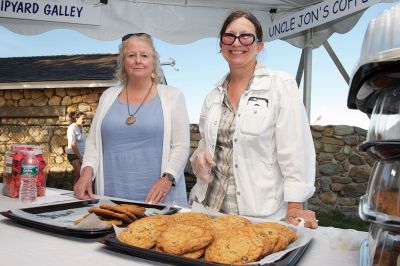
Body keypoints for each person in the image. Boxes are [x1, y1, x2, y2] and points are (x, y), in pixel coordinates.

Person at [189, 9, 318, 228]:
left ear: (259, 45)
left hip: (257, 216)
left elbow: (296, 151)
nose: (237, 42)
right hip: (207, 209)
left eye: (246, 36)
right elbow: (206, 143)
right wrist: (200, 156)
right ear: (221, 45)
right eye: (229, 36)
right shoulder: (212, 96)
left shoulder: (280, 85)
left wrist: (295, 207)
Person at [74, 33, 190, 207]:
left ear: (153, 61)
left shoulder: (172, 96)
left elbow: (181, 146)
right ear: (123, 62)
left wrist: (168, 178)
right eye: (131, 55)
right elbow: (93, 144)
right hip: (111, 197)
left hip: (159, 198)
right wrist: (86, 172)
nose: (138, 60)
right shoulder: (108, 96)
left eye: (144, 55)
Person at [66, 111, 87, 183]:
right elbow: (72, 143)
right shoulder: (72, 128)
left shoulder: (81, 127)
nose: (84, 120)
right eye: (83, 119)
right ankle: (78, 192)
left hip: (81, 155)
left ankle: (75, 192)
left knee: (79, 176)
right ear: (76, 118)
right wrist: (80, 157)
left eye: (85, 119)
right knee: (81, 175)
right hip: (73, 155)